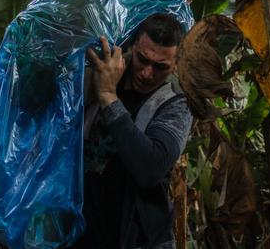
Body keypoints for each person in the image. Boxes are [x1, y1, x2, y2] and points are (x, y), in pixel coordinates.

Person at [77, 13, 192, 249]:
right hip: (82, 231)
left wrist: (109, 97)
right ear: (132, 46)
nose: (147, 73)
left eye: (161, 67)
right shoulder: (103, 72)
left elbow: (151, 167)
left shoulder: (177, 103)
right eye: (142, 60)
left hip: (139, 239)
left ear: (176, 64)